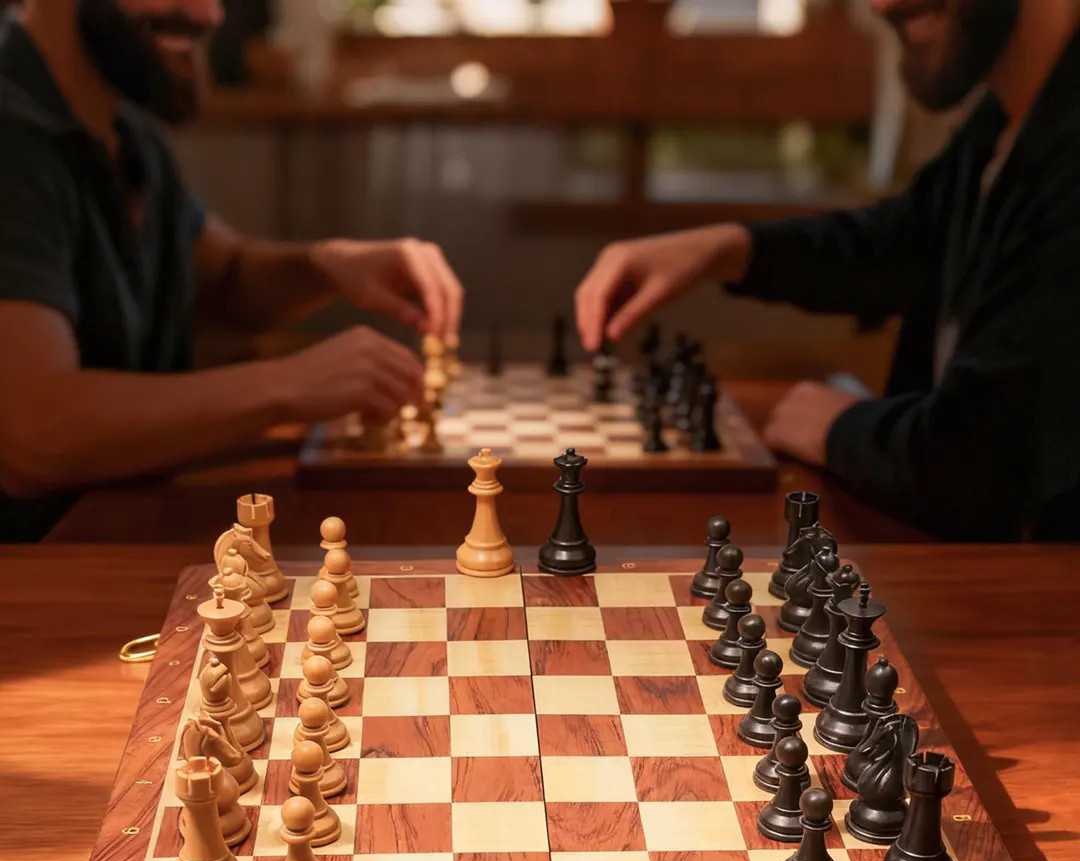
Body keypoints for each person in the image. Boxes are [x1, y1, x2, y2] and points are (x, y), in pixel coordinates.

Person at [575, 0, 1080, 541]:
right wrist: (725, 248)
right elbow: (903, 243)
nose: (878, 5)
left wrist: (835, 426)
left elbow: (979, 465)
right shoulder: (1007, 123)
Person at [0, 0, 464, 539]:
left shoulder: (121, 128)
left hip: (121, 531)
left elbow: (219, 279)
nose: (209, 14)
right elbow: (30, 434)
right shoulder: (12, 139)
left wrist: (329, 266)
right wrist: (286, 383)